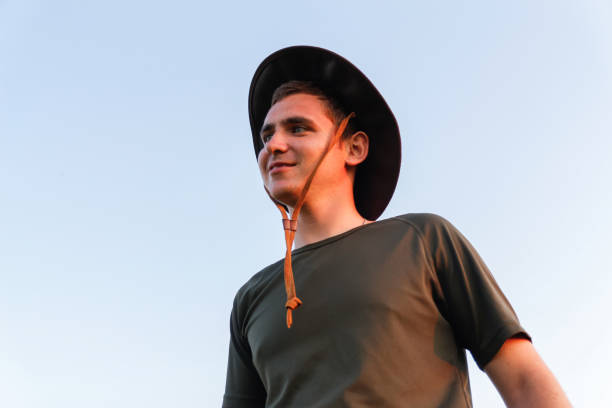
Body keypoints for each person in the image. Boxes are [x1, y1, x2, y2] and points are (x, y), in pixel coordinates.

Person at [223, 46, 570, 407]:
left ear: (354, 148)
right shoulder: (251, 299)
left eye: (298, 128)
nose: (274, 145)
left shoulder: (423, 241)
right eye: (266, 136)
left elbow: (524, 379)